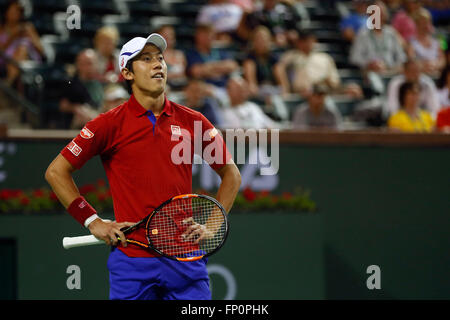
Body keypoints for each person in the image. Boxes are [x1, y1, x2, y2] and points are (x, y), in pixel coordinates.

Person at [45, 33, 241, 300]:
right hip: (131, 261)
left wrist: (213, 224)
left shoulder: (194, 120)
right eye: (146, 59)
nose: (158, 64)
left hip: (185, 259)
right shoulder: (107, 124)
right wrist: (92, 221)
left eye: (160, 58)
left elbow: (231, 174)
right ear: (127, 73)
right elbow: (56, 172)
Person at [0, 0, 44, 88]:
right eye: (12, 11)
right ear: (6, 13)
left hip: (27, 58)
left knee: (23, 48)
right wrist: (13, 36)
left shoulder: (28, 27)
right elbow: (1, 50)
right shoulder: (1, 28)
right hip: (5, 59)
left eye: (17, 11)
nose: (15, 14)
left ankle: (9, 82)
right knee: (16, 62)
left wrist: (31, 37)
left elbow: (41, 51)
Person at [59, 49, 104, 129]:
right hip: (82, 119)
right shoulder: (71, 83)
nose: (87, 67)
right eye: (83, 64)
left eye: (90, 63)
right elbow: (63, 105)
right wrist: (76, 108)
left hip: (101, 114)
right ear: (78, 65)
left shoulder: (102, 81)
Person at [185, 24, 239, 90]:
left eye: (211, 35)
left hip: (225, 87)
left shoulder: (219, 51)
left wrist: (208, 68)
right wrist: (221, 69)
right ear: (198, 36)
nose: (209, 38)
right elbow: (196, 71)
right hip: (206, 89)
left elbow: (232, 65)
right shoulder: (192, 54)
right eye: (205, 35)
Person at [410, 8, 446, 75]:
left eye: (428, 21)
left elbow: (443, 60)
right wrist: (423, 66)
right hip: (421, 75)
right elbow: (411, 60)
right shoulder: (411, 42)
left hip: (436, 74)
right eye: (423, 21)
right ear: (416, 24)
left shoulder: (438, 41)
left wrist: (435, 65)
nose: (426, 24)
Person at [156, 25, 187, 90]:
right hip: (163, 87)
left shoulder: (180, 54)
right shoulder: (155, 55)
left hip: (182, 87)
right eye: (165, 34)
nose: (169, 36)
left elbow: (184, 75)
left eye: (171, 34)